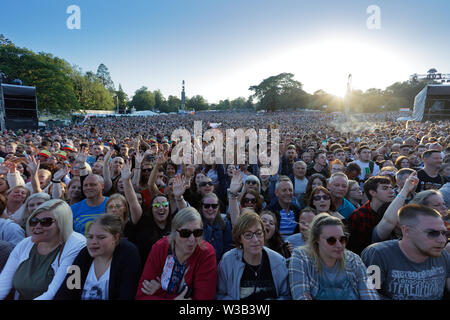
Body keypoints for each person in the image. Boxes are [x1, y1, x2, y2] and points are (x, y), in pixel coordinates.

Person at [0, 199, 86, 300]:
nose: (37, 226)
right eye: (34, 221)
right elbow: (2, 285)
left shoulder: (77, 245)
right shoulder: (25, 244)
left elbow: (54, 293)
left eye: (46, 222)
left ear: (62, 224)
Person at [361, 204, 450, 300]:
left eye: (444, 233)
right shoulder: (379, 254)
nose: (442, 240)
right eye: (432, 233)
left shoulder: (443, 255)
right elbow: (369, 294)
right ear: (407, 230)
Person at [288, 213, 379, 300]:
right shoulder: (301, 257)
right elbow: (301, 296)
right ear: (316, 240)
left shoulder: (353, 259)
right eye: (331, 240)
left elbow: (370, 293)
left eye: (342, 239)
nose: (339, 245)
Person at [135, 207, 217, 300]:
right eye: (185, 233)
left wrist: (160, 291)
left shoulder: (206, 253)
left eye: (197, 232)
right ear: (174, 233)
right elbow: (141, 296)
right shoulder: (160, 248)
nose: (192, 239)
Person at [54, 214, 141, 300]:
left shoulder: (128, 253)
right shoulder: (84, 254)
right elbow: (67, 291)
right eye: (90, 237)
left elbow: (126, 295)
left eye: (101, 237)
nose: (93, 242)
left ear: (116, 237)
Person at [217, 211, 291, 300]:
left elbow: (286, 295)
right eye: (248, 235)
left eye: (259, 233)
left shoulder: (278, 261)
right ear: (240, 238)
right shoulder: (228, 261)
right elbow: (220, 294)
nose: (255, 239)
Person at [347, 176, 395, 255]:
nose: (392, 191)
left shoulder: (394, 211)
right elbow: (354, 248)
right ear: (372, 192)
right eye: (385, 188)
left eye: (391, 188)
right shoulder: (359, 216)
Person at [199, 192, 233, 262]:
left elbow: (228, 248)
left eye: (214, 206)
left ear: (218, 207)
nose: (210, 209)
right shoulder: (196, 225)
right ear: (201, 207)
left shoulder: (225, 224)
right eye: (207, 206)